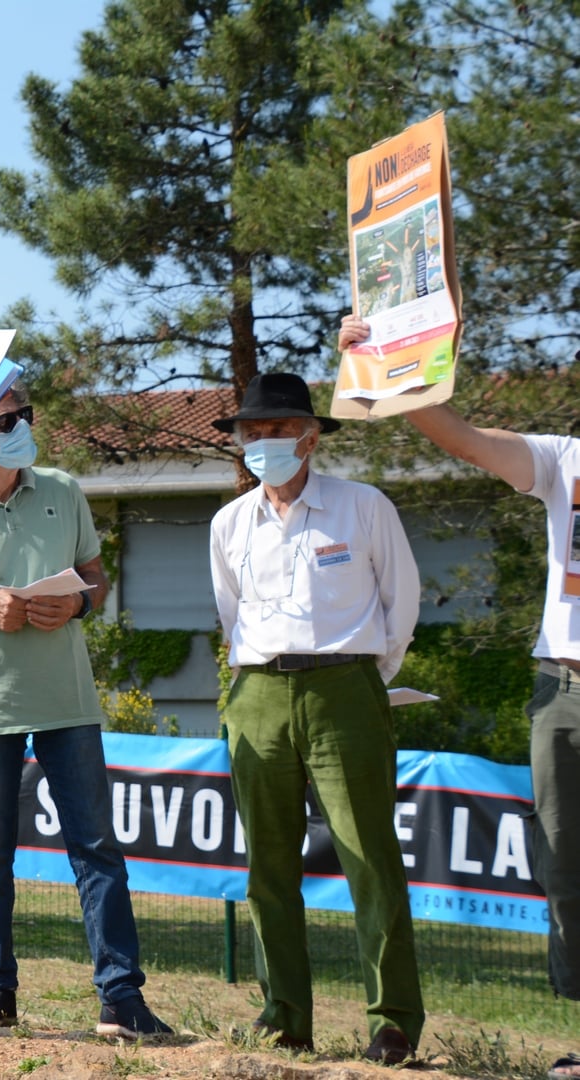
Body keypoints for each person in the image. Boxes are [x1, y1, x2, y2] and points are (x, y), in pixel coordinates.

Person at [341, 316, 580, 1079]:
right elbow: (463, 437)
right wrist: (384, 359)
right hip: (565, 689)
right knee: (568, 867)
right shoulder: (566, 461)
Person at [0, 385, 172, 1037]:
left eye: (28, 416)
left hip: (67, 702)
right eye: (10, 419)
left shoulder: (62, 489)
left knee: (97, 847)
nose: (25, 427)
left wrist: (77, 604)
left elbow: (95, 579)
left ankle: (121, 998)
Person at [208, 371, 423, 1063]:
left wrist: (364, 681)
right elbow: (230, 614)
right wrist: (255, 685)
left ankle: (392, 1021)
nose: (261, 444)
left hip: (346, 689)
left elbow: (403, 604)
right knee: (267, 866)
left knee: (368, 858)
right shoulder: (229, 522)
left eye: (274, 431)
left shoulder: (362, 507)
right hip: (259, 695)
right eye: (250, 433)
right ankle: (284, 1015)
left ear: (310, 436)